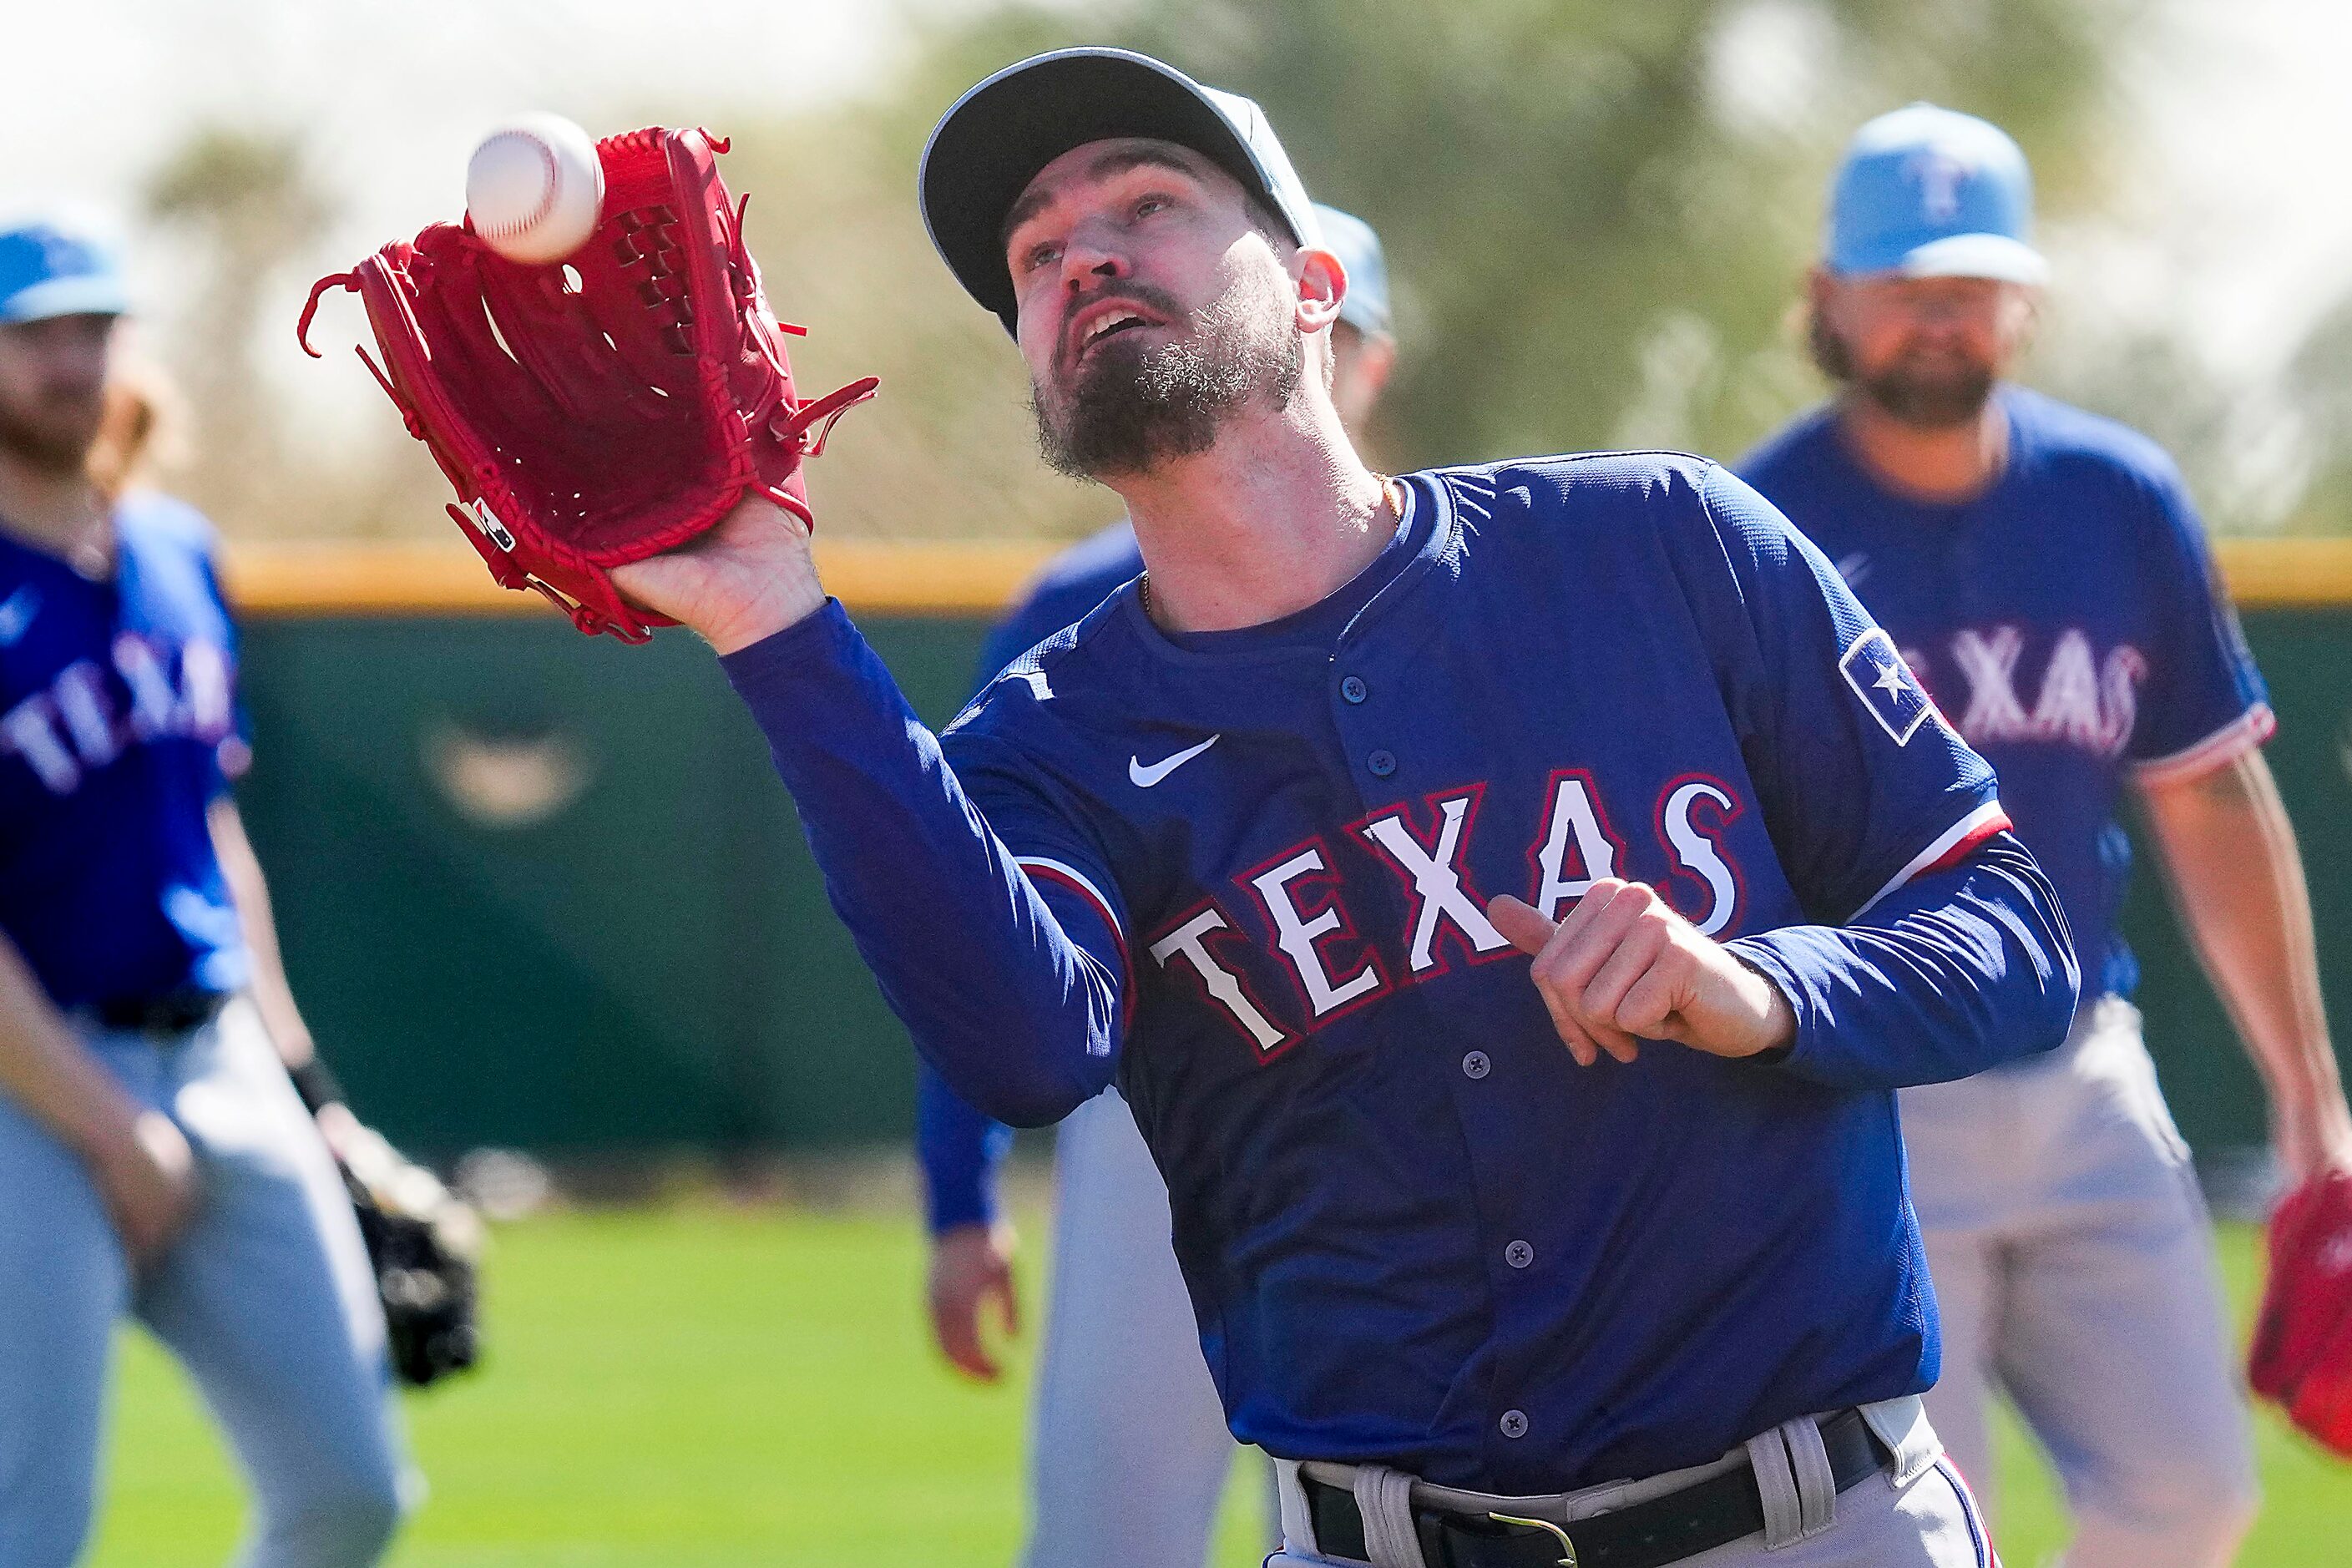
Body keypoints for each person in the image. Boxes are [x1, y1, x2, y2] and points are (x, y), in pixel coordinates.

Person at [614, 48, 2080, 1566]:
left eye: (1150, 200)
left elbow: (2006, 924)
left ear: (1316, 283)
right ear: (1038, 365)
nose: (1084, 253)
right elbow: (1027, 1048)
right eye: (1035, 254)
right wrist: (779, 626)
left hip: (1806, 1518)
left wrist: (1763, 983)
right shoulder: (1046, 742)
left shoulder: (1661, 542)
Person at [1739, 104, 2352, 1568]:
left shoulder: (2115, 498)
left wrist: (2307, 1096)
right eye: (1902, 283)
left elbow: (2205, 795)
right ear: (1827, 297)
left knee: (2191, 1493)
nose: (1937, 317)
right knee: (1924, 1534)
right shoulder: (1757, 524)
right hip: (1874, 1103)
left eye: (1966, 282)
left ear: (2022, 299)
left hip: (2085, 1068)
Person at [918, 202, 1397, 1568]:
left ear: (1351, 341)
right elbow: (979, 926)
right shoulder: (1065, 609)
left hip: (1396, 1082)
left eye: (1347, 326)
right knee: (1108, 1524)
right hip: (1151, 1097)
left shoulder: (1457, 578)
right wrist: (960, 1197)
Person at [0, 217, 412, 1567]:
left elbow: (210, 830)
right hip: (28, 1084)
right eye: (36, 335)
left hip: (214, 1046)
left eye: (92, 329)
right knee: (30, 1522)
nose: (73, 362)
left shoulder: (177, 552)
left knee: (351, 1489)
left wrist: (313, 1091)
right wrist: (110, 1128)